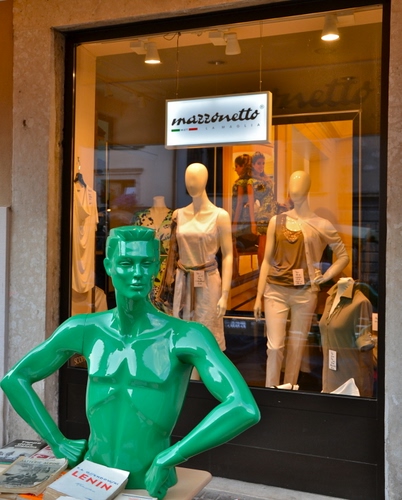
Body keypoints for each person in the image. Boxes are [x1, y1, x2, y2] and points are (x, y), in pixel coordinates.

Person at [0, 226, 259, 500]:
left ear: (156, 268)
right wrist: (57, 441)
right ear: (108, 267)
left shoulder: (184, 336)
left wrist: (172, 456)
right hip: (92, 474)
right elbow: (14, 379)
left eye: (146, 263)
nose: (137, 273)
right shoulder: (85, 328)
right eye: (126, 263)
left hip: (149, 479)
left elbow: (243, 407)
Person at [254, 170, 350, 388]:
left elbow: (343, 256)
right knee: (274, 347)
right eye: (291, 184)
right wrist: (258, 295)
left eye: (298, 183)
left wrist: (325, 276)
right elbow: (266, 260)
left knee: (296, 347)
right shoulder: (276, 221)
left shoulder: (321, 224)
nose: (294, 188)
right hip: (275, 290)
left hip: (305, 293)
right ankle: (271, 390)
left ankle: (290, 389)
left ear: (308, 189)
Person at [171, 163, 233, 351]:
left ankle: (204, 369)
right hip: (183, 280)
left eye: (195, 178)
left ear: (205, 180)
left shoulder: (220, 216)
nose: (191, 183)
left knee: (207, 334)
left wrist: (225, 294)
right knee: (183, 334)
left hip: (208, 282)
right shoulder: (178, 215)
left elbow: (228, 255)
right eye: (188, 179)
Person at [248, 151, 278, 266]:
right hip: (264, 215)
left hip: (274, 213)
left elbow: (270, 196)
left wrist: (278, 204)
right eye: (259, 163)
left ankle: (269, 270)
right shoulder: (251, 181)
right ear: (253, 165)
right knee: (263, 244)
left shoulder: (266, 178)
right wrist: (253, 223)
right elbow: (251, 203)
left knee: (272, 244)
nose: (261, 166)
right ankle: (261, 271)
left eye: (263, 163)